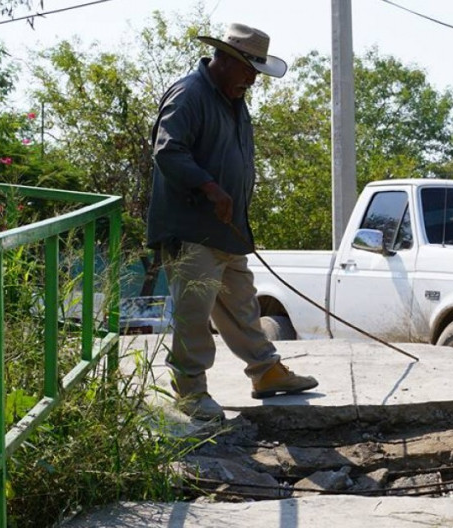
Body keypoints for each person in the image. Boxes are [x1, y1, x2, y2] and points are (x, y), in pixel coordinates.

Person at [146, 23, 318, 420]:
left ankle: (266, 372)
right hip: (191, 230)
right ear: (224, 60)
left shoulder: (233, 99)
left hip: (226, 230)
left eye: (256, 71)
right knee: (193, 311)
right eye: (248, 68)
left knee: (241, 305)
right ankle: (190, 390)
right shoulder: (190, 94)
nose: (253, 79)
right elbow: (167, 151)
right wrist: (210, 187)